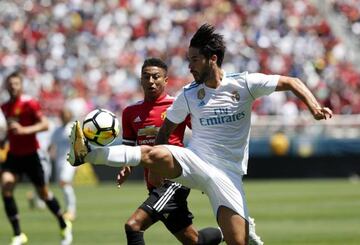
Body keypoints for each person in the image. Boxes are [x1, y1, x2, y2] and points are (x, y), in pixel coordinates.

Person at [68, 24, 333, 245]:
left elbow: (291, 81)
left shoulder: (243, 84)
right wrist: (156, 166)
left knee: (237, 242)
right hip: (195, 161)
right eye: (188, 60)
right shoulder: (188, 94)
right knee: (152, 153)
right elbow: (165, 132)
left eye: (194, 60)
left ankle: (244, 228)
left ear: (212, 59)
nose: (189, 67)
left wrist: (314, 106)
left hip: (227, 173)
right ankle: (88, 153)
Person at [117, 57, 225, 245]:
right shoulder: (130, 112)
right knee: (194, 241)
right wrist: (126, 167)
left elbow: (203, 136)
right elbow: (129, 148)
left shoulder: (177, 105)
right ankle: (231, 232)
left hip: (174, 179)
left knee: (133, 225)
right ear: (141, 80)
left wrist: (204, 172)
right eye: (146, 77)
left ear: (165, 80)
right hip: (154, 183)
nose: (151, 81)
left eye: (156, 77)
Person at [0, 71, 73, 245]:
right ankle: (18, 234)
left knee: (44, 194)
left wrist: (24, 130)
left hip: (32, 155)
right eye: (10, 84)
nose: (13, 86)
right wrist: (4, 140)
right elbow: (11, 130)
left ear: (21, 85)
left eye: (16, 83)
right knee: (6, 186)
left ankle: (63, 223)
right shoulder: (4, 107)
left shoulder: (30, 103)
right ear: (6, 86)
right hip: (14, 156)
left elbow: (45, 124)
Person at [49, 108, 77, 221]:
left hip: (70, 160)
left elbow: (79, 146)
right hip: (59, 161)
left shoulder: (73, 128)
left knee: (64, 182)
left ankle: (71, 210)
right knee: (63, 185)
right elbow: (52, 145)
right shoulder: (57, 130)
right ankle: (69, 209)